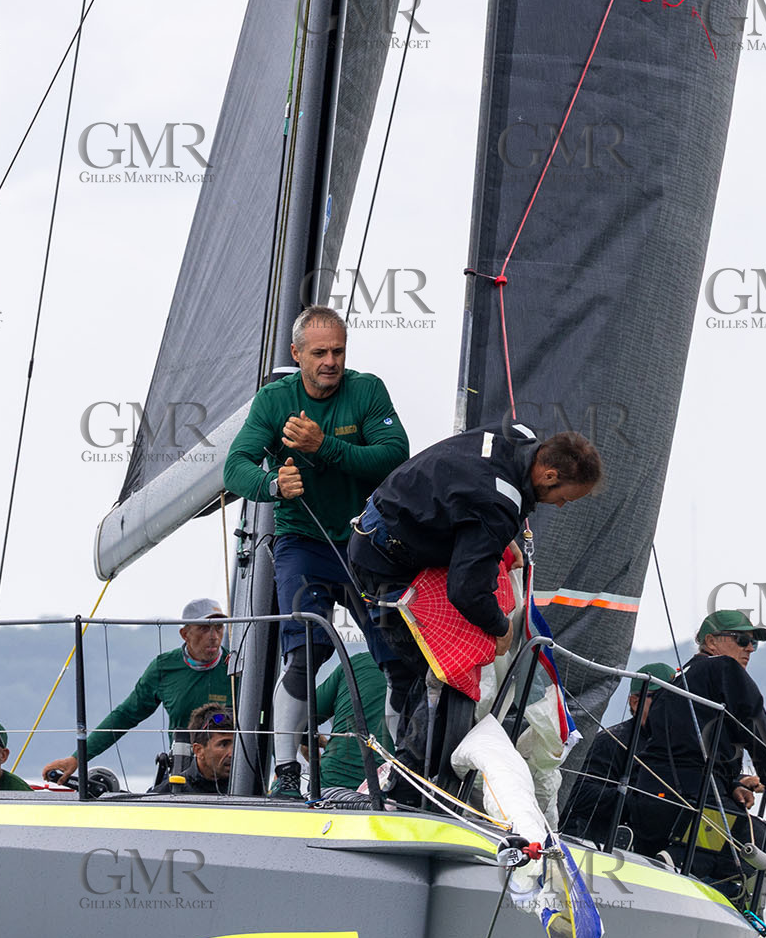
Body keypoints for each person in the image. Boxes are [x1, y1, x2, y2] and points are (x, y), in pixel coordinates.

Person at [223, 305, 409, 798]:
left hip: (367, 545)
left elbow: (395, 457)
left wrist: (324, 445)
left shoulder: (367, 390)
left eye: (339, 351)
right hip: (303, 543)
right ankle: (285, 774)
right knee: (308, 648)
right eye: (320, 352)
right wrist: (271, 484)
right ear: (296, 354)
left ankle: (399, 776)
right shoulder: (274, 400)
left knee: (396, 656)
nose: (331, 361)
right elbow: (234, 467)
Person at [348, 424, 603, 769]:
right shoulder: (498, 504)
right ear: (549, 474)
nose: (559, 506)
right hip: (382, 567)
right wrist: (501, 629)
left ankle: (410, 769)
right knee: (440, 670)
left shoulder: (518, 435)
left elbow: (470, 492)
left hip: (393, 526)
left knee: (433, 668)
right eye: (564, 497)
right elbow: (466, 590)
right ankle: (407, 779)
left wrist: (499, 536)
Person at [630, 608, 766, 938]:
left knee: (735, 860)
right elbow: (753, 718)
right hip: (692, 802)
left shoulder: (679, 681)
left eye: (754, 642)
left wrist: (731, 782)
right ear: (711, 641)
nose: (750, 649)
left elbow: (685, 743)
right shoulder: (720, 668)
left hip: (658, 798)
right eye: (741, 639)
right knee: (761, 862)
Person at [42, 597, 230, 784]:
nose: (213, 636)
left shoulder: (236, 666)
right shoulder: (164, 667)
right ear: (184, 634)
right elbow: (125, 715)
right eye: (204, 628)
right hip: (184, 771)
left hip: (235, 771)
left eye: (219, 627)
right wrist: (77, 758)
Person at [560, 662, 676, 846]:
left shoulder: (676, 747)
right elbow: (578, 793)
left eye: (677, 699)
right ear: (635, 702)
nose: (671, 705)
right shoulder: (611, 741)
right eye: (663, 697)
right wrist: (637, 802)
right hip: (599, 845)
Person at [304, 652, 393, 793]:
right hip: (398, 789)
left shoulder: (356, 663)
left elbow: (302, 720)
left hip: (333, 783)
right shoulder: (432, 668)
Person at [181, 704, 234, 795]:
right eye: (224, 744)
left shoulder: (255, 790)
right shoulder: (166, 795)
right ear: (198, 750)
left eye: (236, 744)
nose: (232, 753)